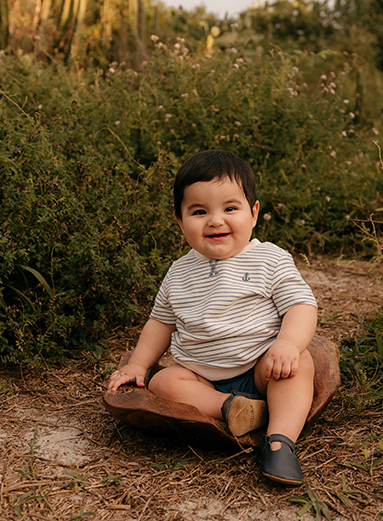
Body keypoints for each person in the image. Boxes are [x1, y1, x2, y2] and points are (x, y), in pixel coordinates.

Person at [106, 149, 318, 485]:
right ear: (180, 221)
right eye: (199, 211)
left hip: (260, 367)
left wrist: (289, 344)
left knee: (299, 364)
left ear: (253, 213)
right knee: (163, 381)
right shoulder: (178, 273)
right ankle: (233, 408)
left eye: (230, 208)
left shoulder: (269, 259)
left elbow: (301, 305)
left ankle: (279, 442)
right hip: (201, 376)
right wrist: (138, 364)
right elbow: (161, 322)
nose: (215, 220)